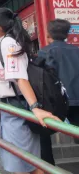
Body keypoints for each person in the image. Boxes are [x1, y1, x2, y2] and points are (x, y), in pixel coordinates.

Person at [0, 7, 60, 174]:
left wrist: (35, 107)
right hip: (9, 111)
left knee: (24, 165)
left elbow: (20, 78)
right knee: (24, 164)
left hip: (16, 108)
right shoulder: (3, 44)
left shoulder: (8, 44)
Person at [37, 19, 79, 165]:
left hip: (55, 103)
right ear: (67, 34)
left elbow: (39, 77)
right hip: (76, 101)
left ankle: (49, 167)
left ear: (48, 34)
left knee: (43, 133)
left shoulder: (44, 52)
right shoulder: (77, 51)